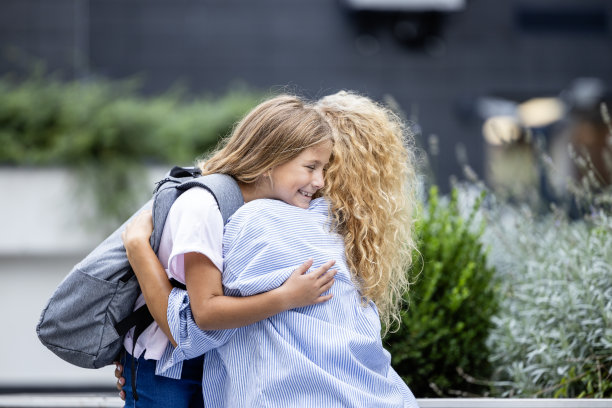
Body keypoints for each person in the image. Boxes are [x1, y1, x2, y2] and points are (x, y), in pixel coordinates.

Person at [118, 91, 420, 407]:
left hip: (183, 360)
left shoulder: (273, 219)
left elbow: (194, 327)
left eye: (324, 168)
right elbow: (202, 318)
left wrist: (138, 248)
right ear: (271, 160)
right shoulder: (316, 230)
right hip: (169, 362)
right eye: (311, 166)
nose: (318, 181)